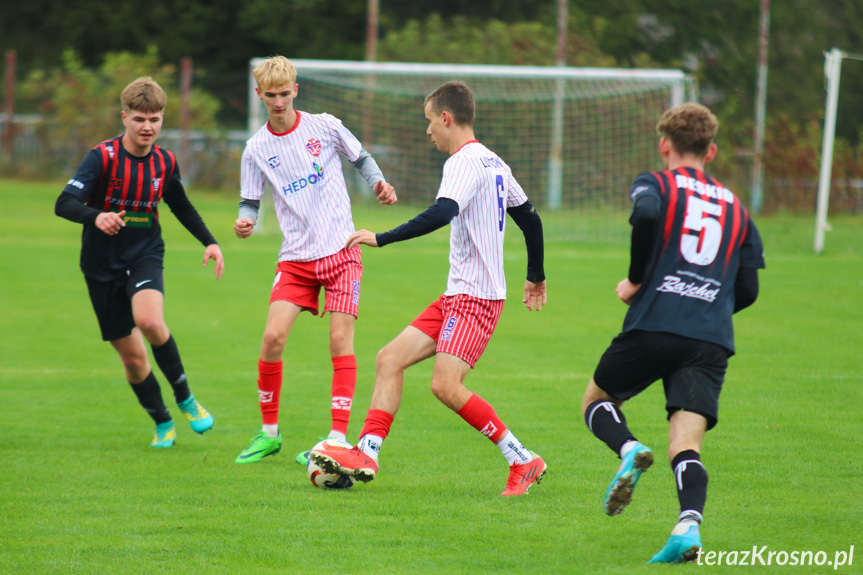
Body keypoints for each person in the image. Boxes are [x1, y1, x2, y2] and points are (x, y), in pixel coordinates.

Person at [311, 81, 548, 497]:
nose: (428, 132)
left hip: (476, 298)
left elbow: (443, 212)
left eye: (429, 122)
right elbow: (530, 218)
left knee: (445, 385)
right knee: (389, 359)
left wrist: (381, 237)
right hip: (459, 294)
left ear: (446, 118)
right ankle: (367, 452)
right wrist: (536, 274)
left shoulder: (462, 162)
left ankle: (522, 459)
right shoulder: (494, 162)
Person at [580, 103, 765, 562]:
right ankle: (687, 528)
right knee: (686, 443)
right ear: (713, 150)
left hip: (656, 322)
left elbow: (645, 214)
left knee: (597, 401)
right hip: (710, 337)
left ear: (665, 145)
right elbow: (748, 287)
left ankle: (628, 447)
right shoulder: (737, 207)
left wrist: (637, 279)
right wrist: (711, 307)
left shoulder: (655, 182)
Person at [233, 56, 397, 465]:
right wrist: (245, 221)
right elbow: (249, 201)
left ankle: (336, 438)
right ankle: (269, 432)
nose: (278, 102)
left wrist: (378, 182)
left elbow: (360, 157)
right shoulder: (256, 148)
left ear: (296, 90)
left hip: (343, 252)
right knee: (272, 338)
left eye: (284, 94)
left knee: (340, 341)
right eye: (270, 95)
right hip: (296, 259)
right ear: (260, 95)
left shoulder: (324, 125)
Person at [55, 77, 224, 448]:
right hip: (101, 265)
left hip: (146, 253)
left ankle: (186, 399)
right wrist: (96, 216)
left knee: (150, 320)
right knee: (132, 359)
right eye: (139, 119)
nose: (147, 127)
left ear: (162, 120)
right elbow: (64, 202)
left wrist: (210, 242)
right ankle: (162, 421)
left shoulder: (165, 161)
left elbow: (180, 205)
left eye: (155, 119)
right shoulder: (103, 157)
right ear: (125, 117)